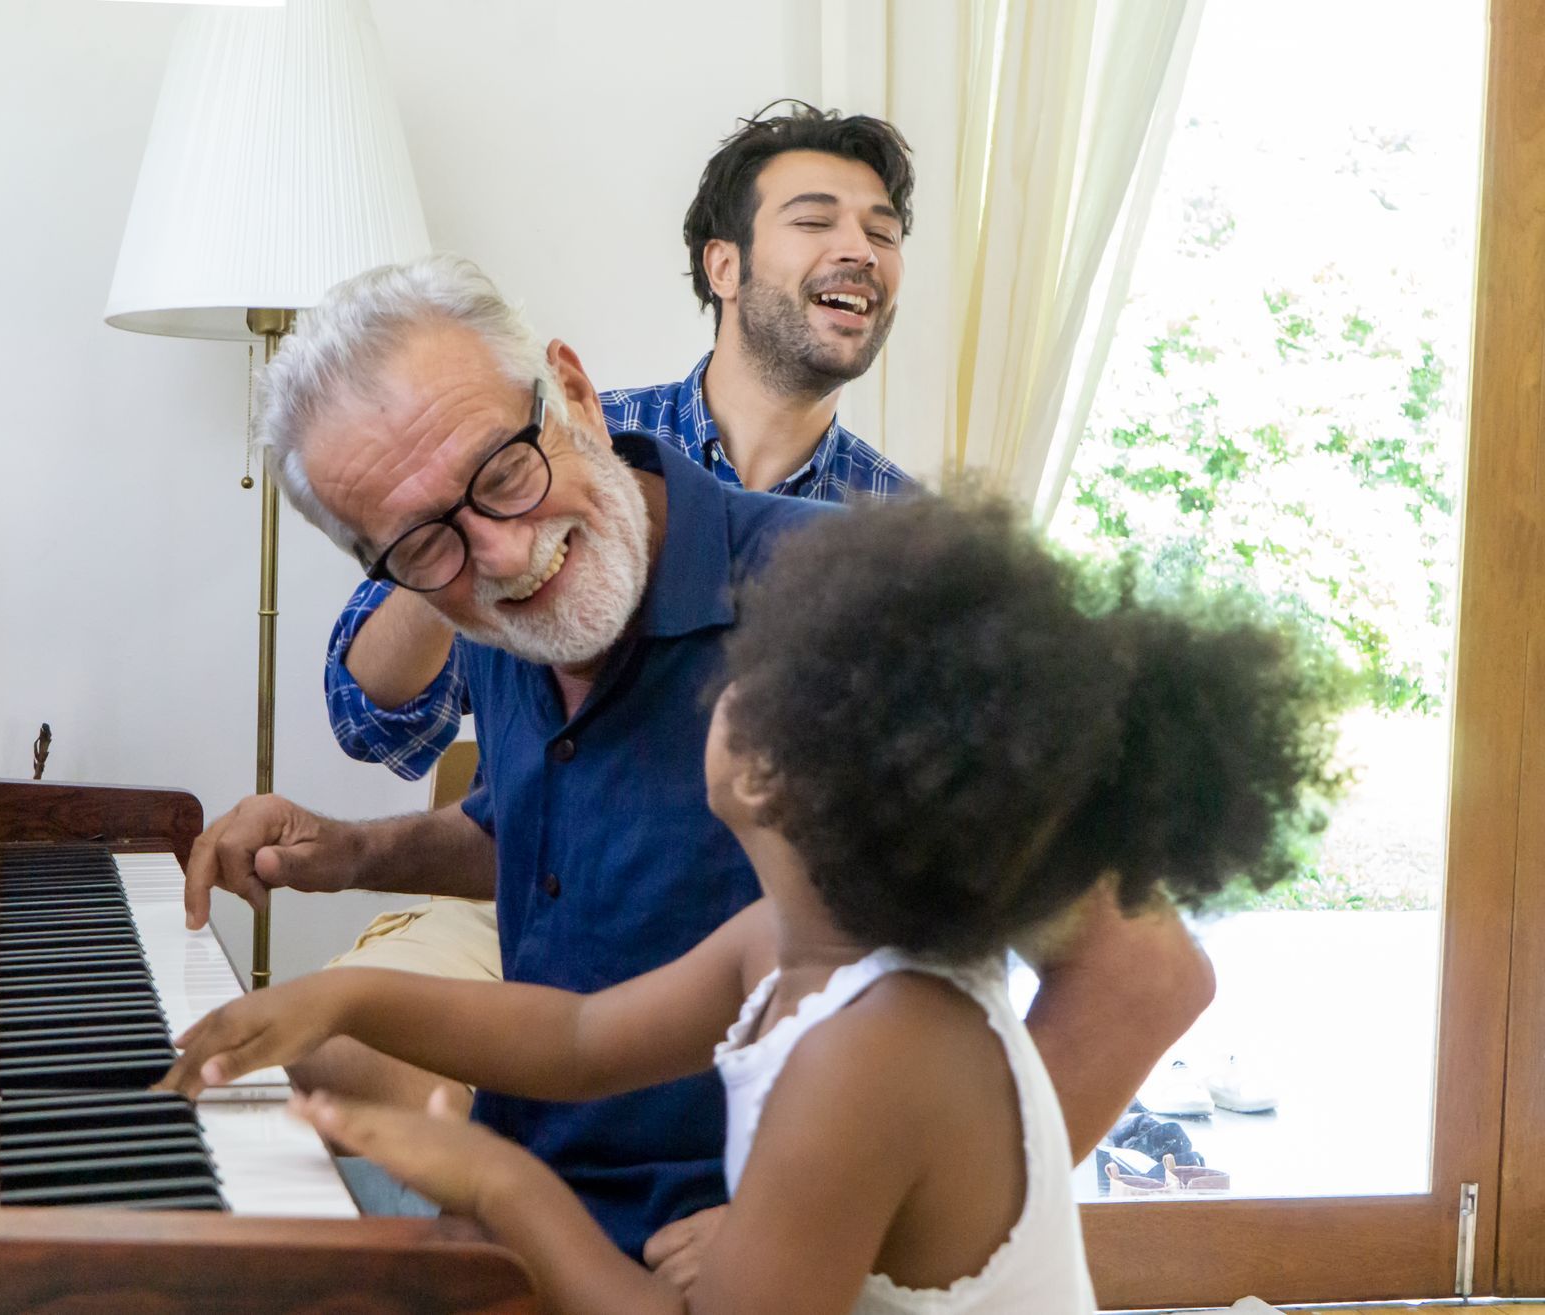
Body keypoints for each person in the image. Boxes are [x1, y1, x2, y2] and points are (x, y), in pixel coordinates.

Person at [185, 252, 1220, 1266]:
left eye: (502, 471)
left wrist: (848, 1222)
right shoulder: (495, 619)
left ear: (576, 392)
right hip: (533, 1219)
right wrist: (354, 851)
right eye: (422, 545)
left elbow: (1143, 975)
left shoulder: (849, 614)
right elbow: (552, 854)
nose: (500, 554)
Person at [166, 498, 1340, 1314]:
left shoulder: (876, 1055)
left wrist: (492, 1181)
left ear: (776, 775)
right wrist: (340, 998)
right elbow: (578, 1040)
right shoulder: (791, 937)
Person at [297, 100, 919, 1114]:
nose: (860, 249)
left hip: (753, 980)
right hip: (519, 924)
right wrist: (463, 544)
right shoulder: (572, 444)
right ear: (724, 265)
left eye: (883, 231)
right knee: (330, 1043)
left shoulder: (890, 544)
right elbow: (372, 715)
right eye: (817, 220)